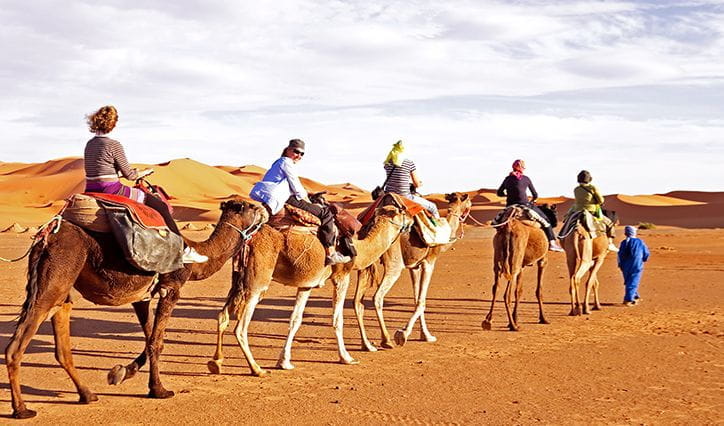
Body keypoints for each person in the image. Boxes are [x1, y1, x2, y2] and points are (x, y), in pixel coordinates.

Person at [83, 105, 207, 264]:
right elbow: (130, 175)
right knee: (158, 205)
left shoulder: (90, 144)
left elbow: (102, 170)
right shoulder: (113, 145)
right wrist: (144, 172)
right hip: (111, 189)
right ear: (112, 124)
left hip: (91, 188)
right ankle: (184, 250)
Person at [250, 139, 351, 265]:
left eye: (302, 154)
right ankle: (331, 253)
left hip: (275, 197)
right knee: (325, 213)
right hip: (283, 198)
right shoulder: (286, 162)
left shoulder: (279, 162)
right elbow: (296, 186)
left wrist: (307, 192)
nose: (299, 155)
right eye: (296, 151)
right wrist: (308, 200)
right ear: (288, 150)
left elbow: (289, 184)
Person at [496, 160, 564, 252]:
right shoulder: (526, 178)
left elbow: (499, 193)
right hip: (525, 204)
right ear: (521, 168)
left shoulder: (507, 179)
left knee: (497, 222)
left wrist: (507, 194)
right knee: (546, 221)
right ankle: (552, 243)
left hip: (510, 206)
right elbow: (535, 194)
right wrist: (533, 200)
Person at [382, 140, 439, 218]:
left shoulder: (387, 163)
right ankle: (436, 229)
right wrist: (419, 183)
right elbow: (417, 184)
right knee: (433, 207)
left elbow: (395, 178)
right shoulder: (409, 163)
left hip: (389, 196)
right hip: (404, 197)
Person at [569, 170, 618, 252]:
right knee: (609, 223)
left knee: (567, 220)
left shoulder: (576, 189)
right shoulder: (592, 188)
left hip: (577, 210)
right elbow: (601, 200)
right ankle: (610, 243)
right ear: (589, 179)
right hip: (591, 211)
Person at [618, 226, 650, 306]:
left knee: (629, 281)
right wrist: (644, 259)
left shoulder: (623, 242)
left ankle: (635, 296)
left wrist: (620, 264)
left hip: (624, 266)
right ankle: (628, 299)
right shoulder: (639, 242)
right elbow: (646, 253)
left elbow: (620, 255)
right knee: (633, 282)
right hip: (636, 265)